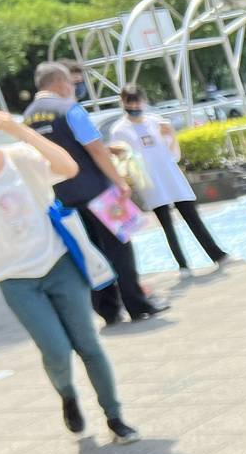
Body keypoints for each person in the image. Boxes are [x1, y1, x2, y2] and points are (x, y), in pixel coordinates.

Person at [0, 90, 139, 443]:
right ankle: (68, 395)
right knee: (54, 349)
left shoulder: (19, 157)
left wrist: (21, 130)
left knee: (88, 343)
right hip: (14, 279)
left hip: (59, 264)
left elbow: (67, 167)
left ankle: (114, 416)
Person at [23, 61, 166, 323]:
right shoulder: (69, 109)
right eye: (71, 82)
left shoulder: (27, 119)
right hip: (97, 191)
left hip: (62, 197)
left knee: (88, 252)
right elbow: (96, 148)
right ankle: (137, 304)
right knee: (119, 247)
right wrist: (119, 181)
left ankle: (108, 310)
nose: (73, 87)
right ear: (59, 82)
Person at [110, 85, 232, 273]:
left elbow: (173, 154)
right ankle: (182, 264)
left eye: (137, 100)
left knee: (192, 215)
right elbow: (122, 159)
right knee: (167, 224)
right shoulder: (119, 130)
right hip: (149, 181)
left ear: (143, 101)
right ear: (123, 102)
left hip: (170, 175)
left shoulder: (155, 122)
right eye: (130, 101)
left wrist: (170, 135)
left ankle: (218, 255)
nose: (134, 105)